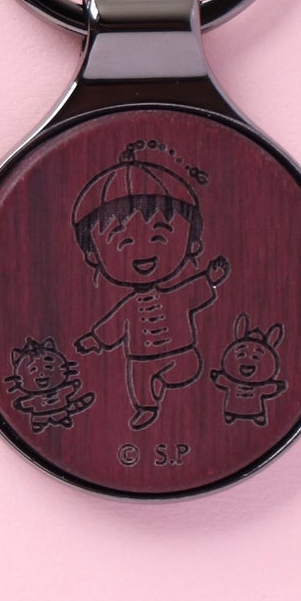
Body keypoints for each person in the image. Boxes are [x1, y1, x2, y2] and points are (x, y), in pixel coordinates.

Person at [72, 144, 229, 429]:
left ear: (193, 243)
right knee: (141, 382)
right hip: (140, 359)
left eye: (159, 236)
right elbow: (113, 325)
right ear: (93, 255)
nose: (142, 251)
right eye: (124, 242)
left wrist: (211, 278)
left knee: (187, 369)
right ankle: (146, 406)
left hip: (182, 353)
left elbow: (196, 291)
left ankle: (164, 383)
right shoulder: (129, 307)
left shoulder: (177, 296)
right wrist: (96, 339)